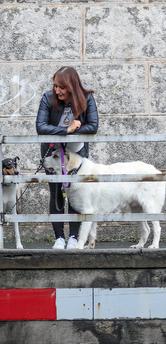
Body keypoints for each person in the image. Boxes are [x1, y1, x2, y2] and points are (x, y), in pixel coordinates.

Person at [36, 66, 99, 249]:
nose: (57, 90)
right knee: (56, 192)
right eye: (55, 86)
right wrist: (67, 130)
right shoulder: (48, 98)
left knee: (75, 191)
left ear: (71, 85)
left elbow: (93, 126)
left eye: (61, 87)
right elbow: (41, 127)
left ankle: (73, 237)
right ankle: (59, 238)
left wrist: (74, 131)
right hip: (52, 152)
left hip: (77, 153)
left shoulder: (87, 98)